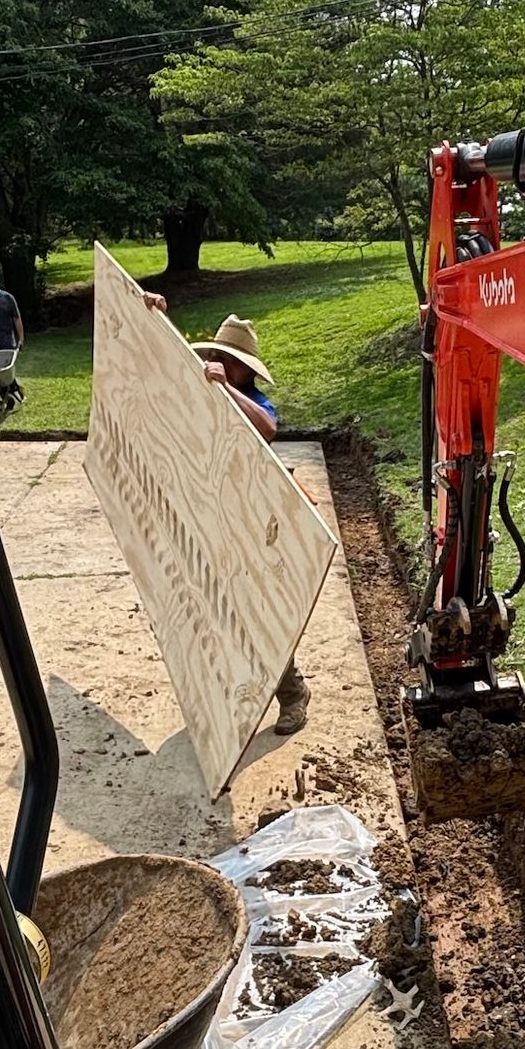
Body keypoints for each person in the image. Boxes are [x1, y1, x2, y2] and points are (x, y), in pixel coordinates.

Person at [188, 312, 311, 737]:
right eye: (219, 356)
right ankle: (233, 695)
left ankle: (293, 693)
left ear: (244, 369)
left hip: (252, 519)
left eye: (230, 360)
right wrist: (151, 309)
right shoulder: (201, 385)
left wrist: (225, 388)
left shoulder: (253, 399)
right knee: (213, 611)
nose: (222, 363)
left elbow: (268, 429)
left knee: (259, 614)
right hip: (212, 512)